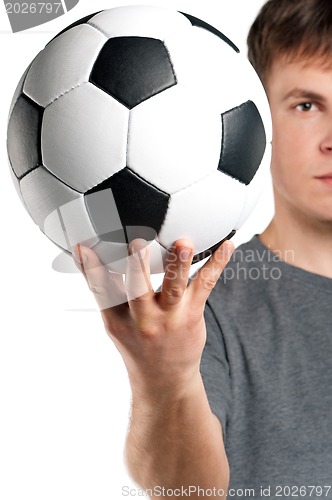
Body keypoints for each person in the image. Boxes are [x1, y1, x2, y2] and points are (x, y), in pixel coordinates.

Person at [73, 0, 332, 497]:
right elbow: (188, 492)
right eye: (307, 105)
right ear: (260, 121)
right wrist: (165, 381)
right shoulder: (198, 309)